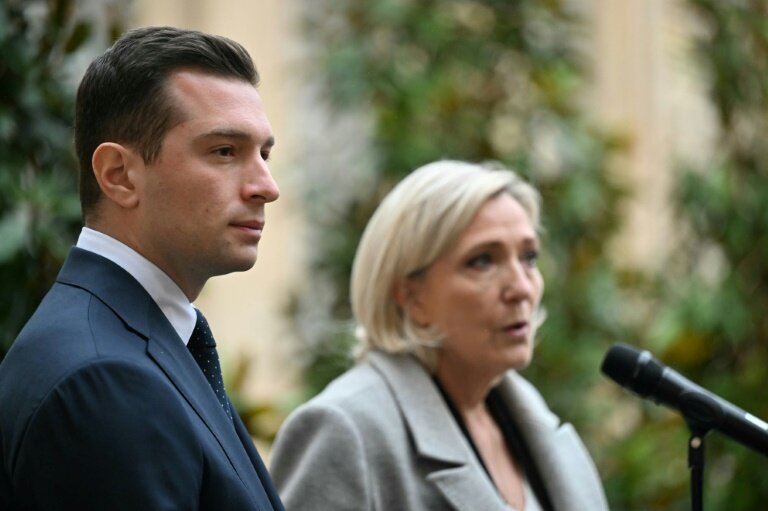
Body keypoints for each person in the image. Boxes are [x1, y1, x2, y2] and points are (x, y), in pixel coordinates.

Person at [0, 26, 284, 510]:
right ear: (119, 175)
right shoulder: (105, 377)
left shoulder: (126, 343)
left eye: (264, 153)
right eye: (224, 151)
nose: (266, 186)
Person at [270, 160, 609, 510]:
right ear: (411, 297)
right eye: (483, 261)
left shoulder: (536, 422)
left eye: (529, 257)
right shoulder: (346, 431)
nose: (522, 288)